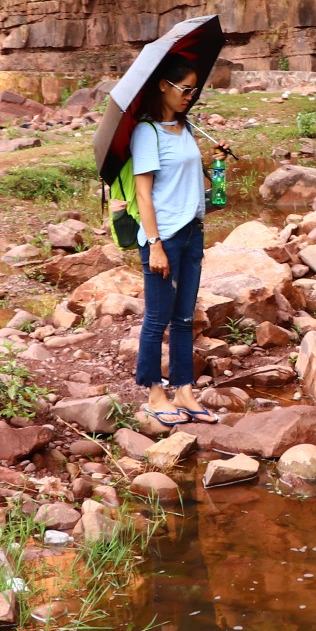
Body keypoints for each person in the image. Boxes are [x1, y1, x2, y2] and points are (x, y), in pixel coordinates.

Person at [126, 53, 216, 425]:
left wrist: (219, 164)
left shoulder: (188, 128)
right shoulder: (146, 133)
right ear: (163, 85)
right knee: (158, 317)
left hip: (192, 233)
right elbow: (144, 194)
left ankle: (184, 390)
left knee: (183, 317)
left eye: (194, 91)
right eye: (184, 89)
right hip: (163, 237)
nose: (189, 97)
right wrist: (155, 245)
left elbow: (201, 187)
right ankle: (154, 392)